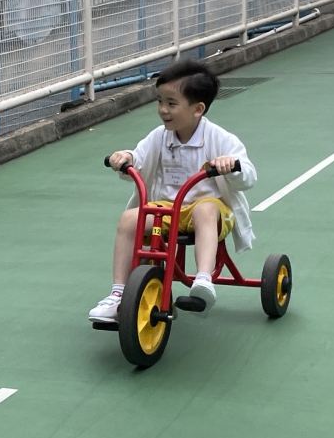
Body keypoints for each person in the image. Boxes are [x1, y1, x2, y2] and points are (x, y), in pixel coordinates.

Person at [90, 59, 257, 323]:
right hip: (168, 210)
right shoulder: (160, 136)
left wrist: (231, 166)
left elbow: (248, 175)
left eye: (171, 103)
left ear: (198, 109)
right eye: (159, 101)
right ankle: (118, 294)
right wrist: (126, 157)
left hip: (212, 211)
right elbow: (139, 159)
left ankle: (203, 280)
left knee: (204, 208)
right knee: (129, 219)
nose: (162, 110)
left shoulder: (220, 138)